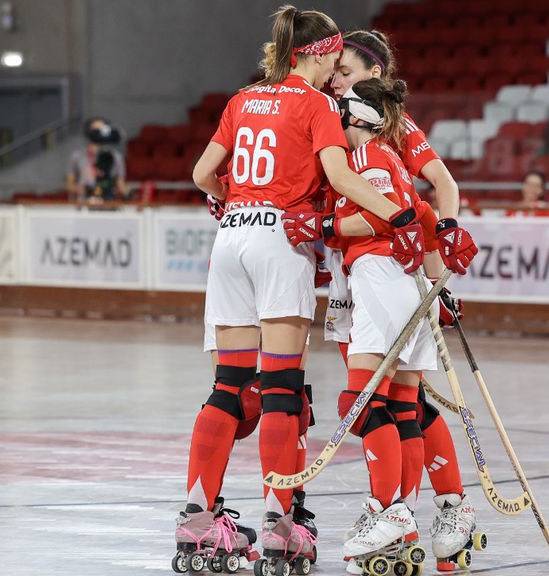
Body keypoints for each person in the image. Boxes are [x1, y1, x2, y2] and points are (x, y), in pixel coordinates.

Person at [178, 6, 424, 574]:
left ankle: (196, 518)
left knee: (231, 383)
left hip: (231, 236)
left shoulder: (242, 99)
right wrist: (401, 216)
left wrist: (230, 195)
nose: (340, 65)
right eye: (335, 56)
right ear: (315, 53)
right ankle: (279, 525)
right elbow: (340, 177)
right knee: (284, 388)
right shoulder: (314, 105)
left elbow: (200, 175)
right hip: (279, 239)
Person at [324, 29, 480, 572]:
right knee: (397, 398)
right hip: (380, 266)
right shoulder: (341, 120)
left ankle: (397, 508)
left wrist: (440, 260)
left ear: (372, 74)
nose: (335, 76)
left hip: (378, 263)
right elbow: (414, 208)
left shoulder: (378, 129)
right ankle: (417, 509)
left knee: (374, 397)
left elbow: (421, 194)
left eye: (343, 69)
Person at [284, 77, 438, 574]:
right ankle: (400, 522)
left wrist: (321, 227)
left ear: (354, 119)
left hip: (380, 276)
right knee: (400, 406)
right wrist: (440, 271)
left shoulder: (366, 158)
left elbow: (379, 219)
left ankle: (385, 510)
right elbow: (421, 212)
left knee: (359, 400)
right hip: (402, 281)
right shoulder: (386, 157)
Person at [66, 117, 128, 204]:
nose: (100, 133)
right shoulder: (77, 155)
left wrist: (128, 194)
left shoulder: (116, 156)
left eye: (102, 129)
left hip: (108, 203)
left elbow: (120, 183)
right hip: (84, 204)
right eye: (96, 130)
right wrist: (84, 190)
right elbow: (69, 185)